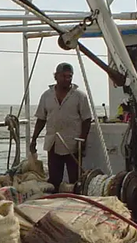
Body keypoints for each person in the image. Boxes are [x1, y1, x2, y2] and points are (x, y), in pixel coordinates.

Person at [29, 62, 93, 191]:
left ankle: (75, 202)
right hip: (53, 142)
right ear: (56, 76)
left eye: (70, 76)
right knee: (54, 180)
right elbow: (41, 119)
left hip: (73, 143)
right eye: (64, 76)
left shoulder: (80, 96)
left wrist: (83, 139)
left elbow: (87, 119)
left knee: (75, 179)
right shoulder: (46, 95)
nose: (67, 79)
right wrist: (34, 139)